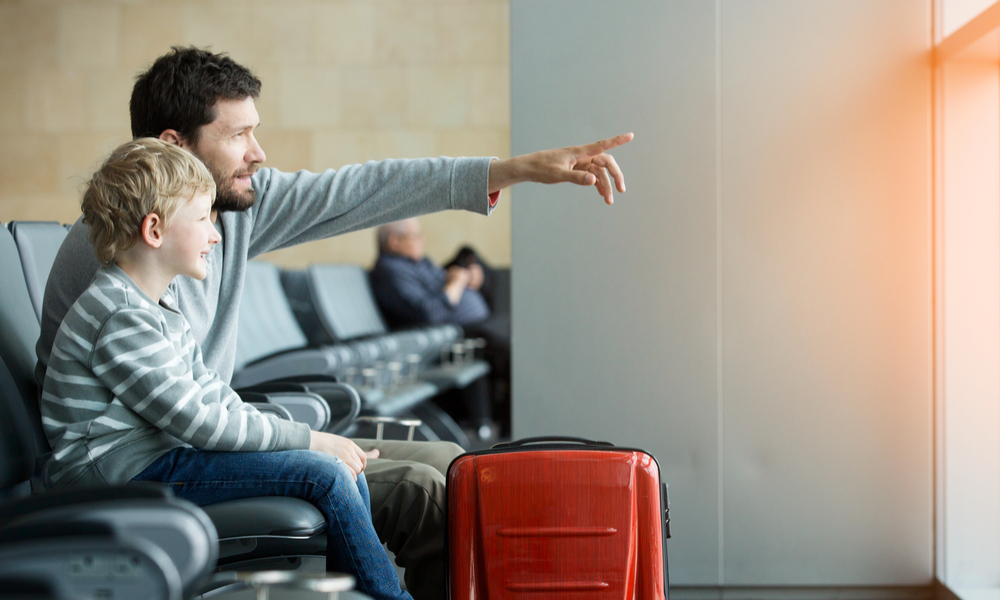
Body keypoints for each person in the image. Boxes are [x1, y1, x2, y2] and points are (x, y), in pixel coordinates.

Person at [35, 46, 631, 600]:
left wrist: (512, 170)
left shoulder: (221, 213)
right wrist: (309, 439)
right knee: (423, 489)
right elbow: (181, 420)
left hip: (204, 441)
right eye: (239, 134)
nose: (258, 154)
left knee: (449, 459)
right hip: (160, 462)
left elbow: (361, 190)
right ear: (177, 147)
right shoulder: (120, 261)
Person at [42, 138, 411, 600]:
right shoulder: (120, 315)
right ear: (154, 230)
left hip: (154, 459)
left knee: (339, 468)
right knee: (328, 473)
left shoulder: (159, 303)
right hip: (116, 477)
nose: (216, 235)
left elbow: (211, 395)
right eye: (203, 219)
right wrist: (310, 439)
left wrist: (312, 441)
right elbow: (200, 423)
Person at [370, 219, 510, 438]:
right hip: (458, 332)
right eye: (416, 236)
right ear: (395, 241)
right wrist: (455, 283)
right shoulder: (390, 271)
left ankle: (500, 425)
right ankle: (505, 426)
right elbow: (429, 314)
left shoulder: (418, 262)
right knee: (517, 350)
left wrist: (468, 278)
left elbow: (440, 287)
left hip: (475, 326)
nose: (421, 240)